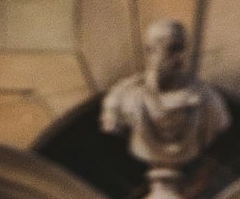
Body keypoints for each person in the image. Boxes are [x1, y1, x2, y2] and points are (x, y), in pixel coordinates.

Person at [99, 18, 231, 169]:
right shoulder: (123, 97)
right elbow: (112, 124)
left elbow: (221, 123)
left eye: (182, 49)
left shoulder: (208, 99)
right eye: (173, 49)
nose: (180, 57)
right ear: (150, 51)